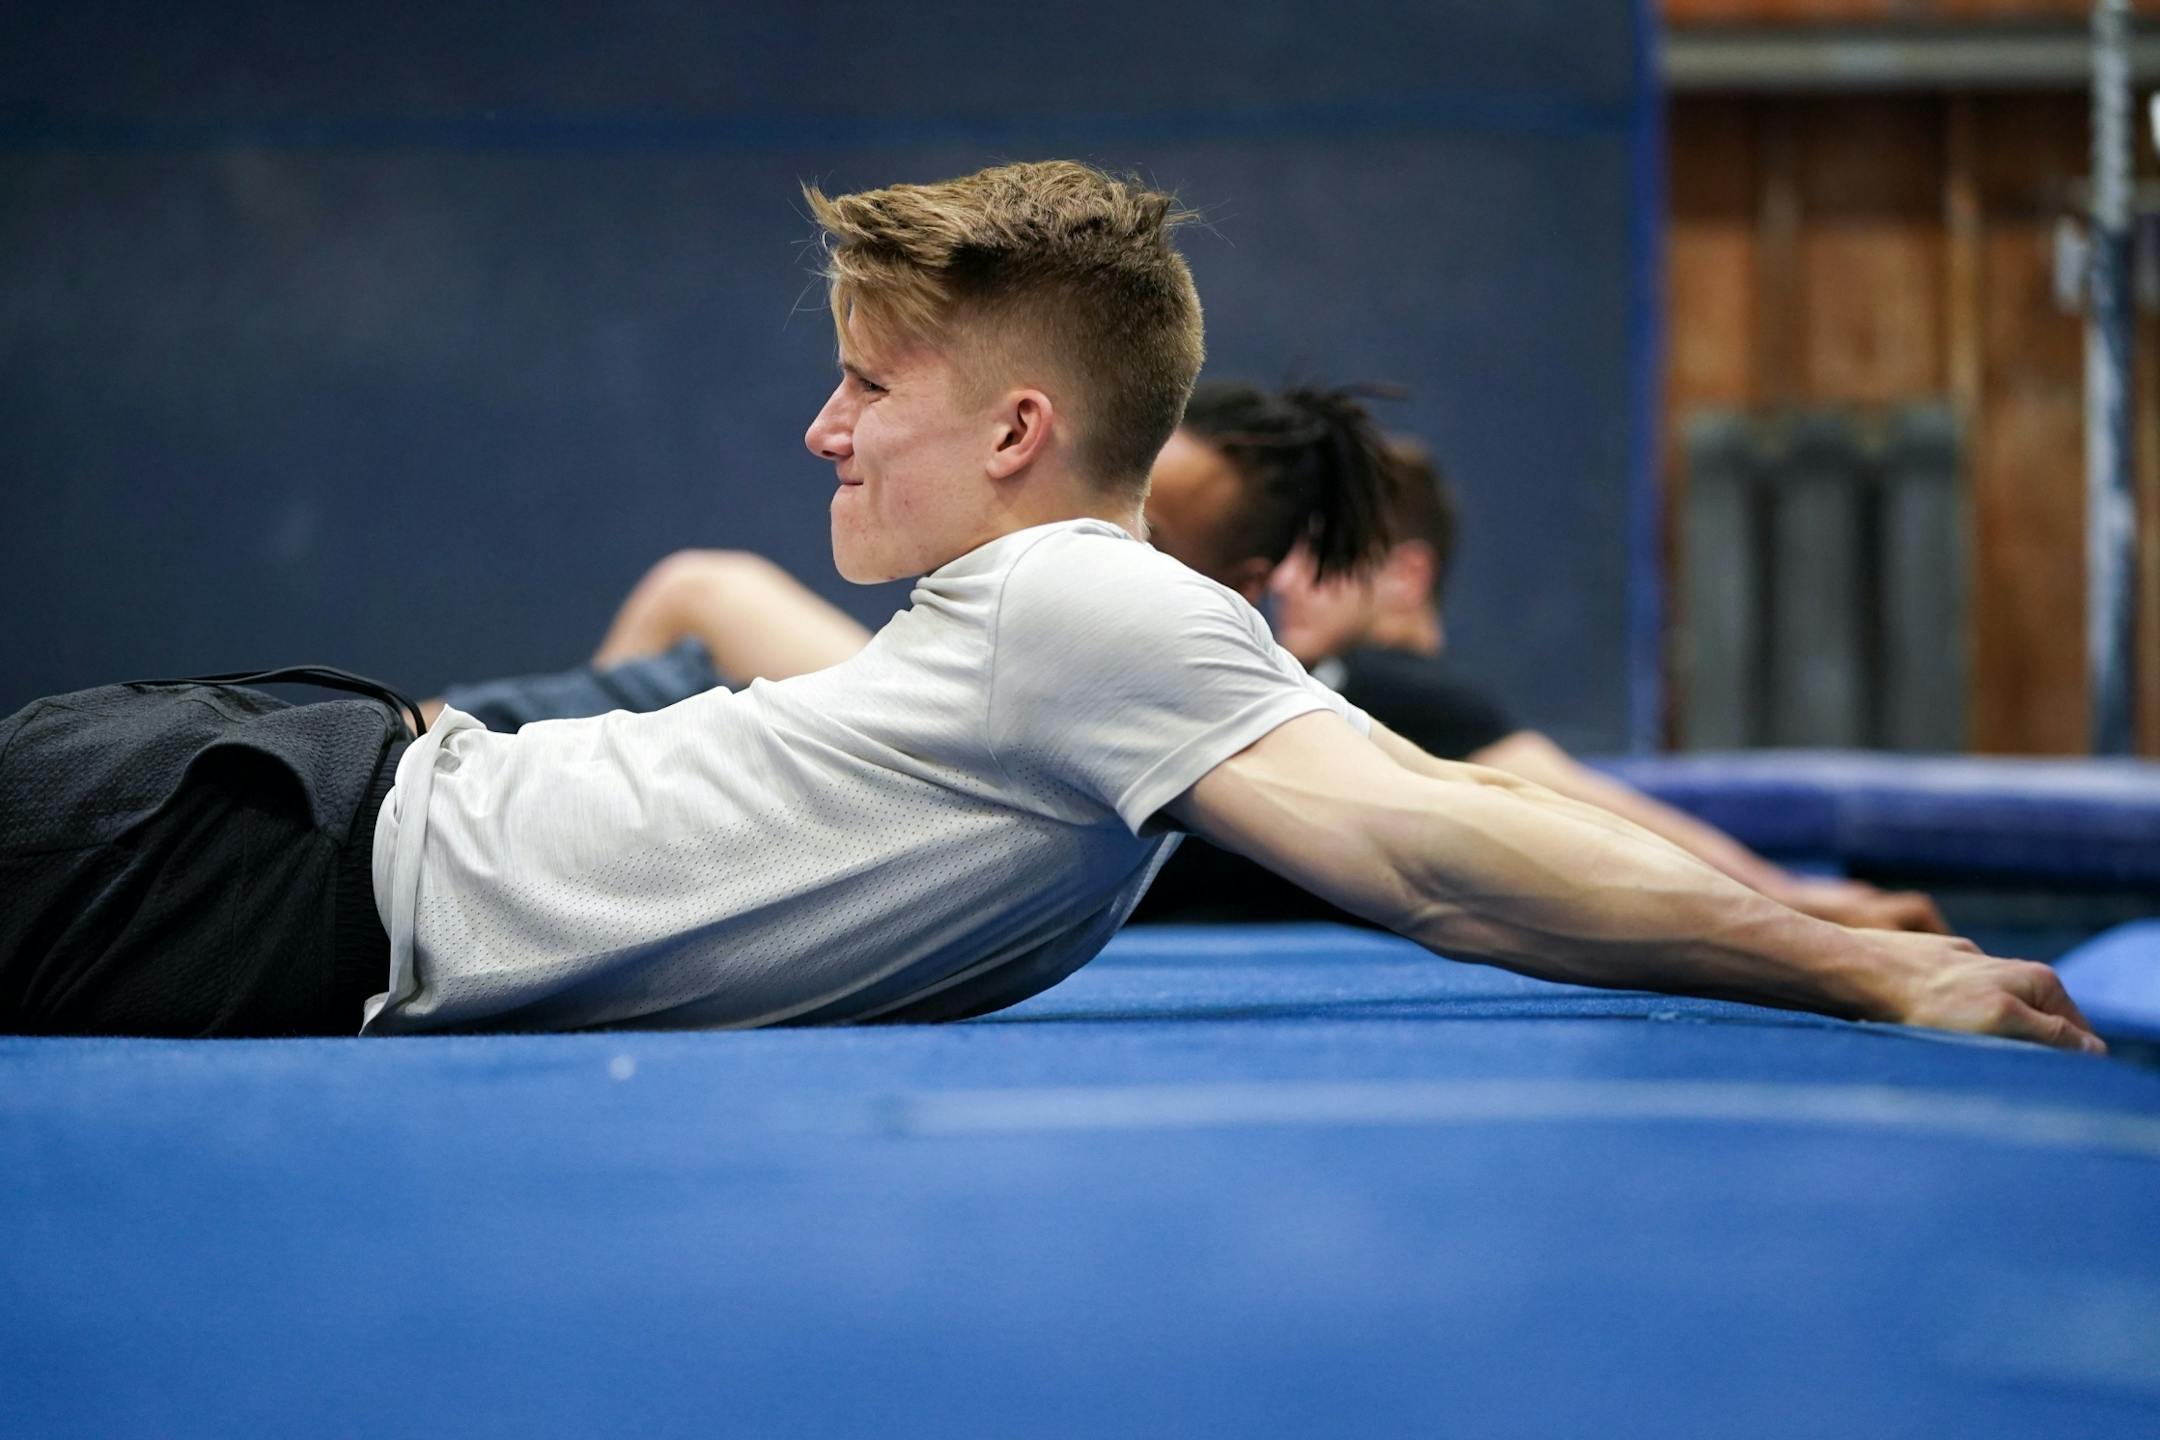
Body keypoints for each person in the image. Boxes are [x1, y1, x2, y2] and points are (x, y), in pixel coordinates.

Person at [0, 160, 2099, 1053]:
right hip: (266, 834)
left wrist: (1866, 974)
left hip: (264, 866)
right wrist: (1852, 955)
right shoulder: (1081, 626)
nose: (823, 431)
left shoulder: (1079, 616)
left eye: (867, 385)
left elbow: (1453, 856)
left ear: (1018, 432)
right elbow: (1458, 829)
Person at [446, 381, 1945, 937]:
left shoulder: (1347, 698)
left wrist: (1803, 904)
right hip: (883, 747)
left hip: (954, 765)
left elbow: (1545, 805)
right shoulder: (1088, 621)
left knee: (694, 596)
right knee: (677, 608)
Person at [1137, 433, 1948, 935]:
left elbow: (1566, 799)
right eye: (1286, 556)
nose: (1289, 582)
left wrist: (1799, 902)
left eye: (1323, 557)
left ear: (1405, 577)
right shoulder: (1331, 688)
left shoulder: (1383, 684)